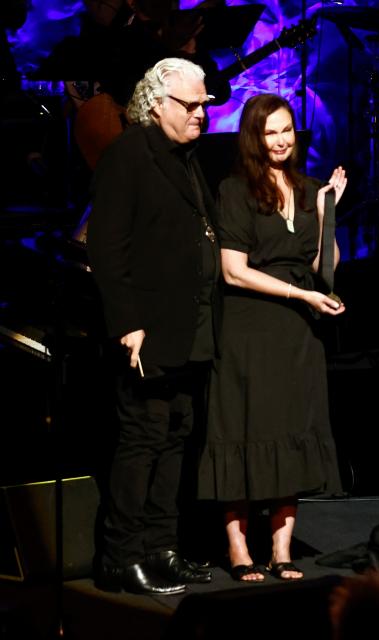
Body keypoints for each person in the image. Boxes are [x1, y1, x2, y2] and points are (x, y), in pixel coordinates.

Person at [197, 93, 346, 582]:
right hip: (250, 326)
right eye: (271, 132)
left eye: (287, 130)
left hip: (297, 333)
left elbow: (323, 270)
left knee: (289, 430)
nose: (281, 140)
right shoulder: (235, 190)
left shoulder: (307, 188)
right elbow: (234, 272)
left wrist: (327, 215)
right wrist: (298, 295)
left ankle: (282, 548)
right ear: (254, 137)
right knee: (242, 429)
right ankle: (239, 547)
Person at [86, 57, 219, 595]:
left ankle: (161, 547)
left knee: (176, 435)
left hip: (188, 326)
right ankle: (121, 556)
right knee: (142, 438)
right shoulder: (129, 154)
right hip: (148, 331)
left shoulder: (185, 155)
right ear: (157, 104)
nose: (200, 115)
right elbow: (106, 248)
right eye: (190, 106)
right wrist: (128, 324)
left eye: (205, 105)